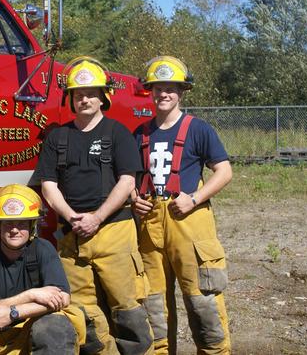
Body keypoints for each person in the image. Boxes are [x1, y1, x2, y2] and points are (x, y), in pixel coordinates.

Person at [35, 57, 153, 355]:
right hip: (73, 238)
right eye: (78, 94)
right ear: (71, 99)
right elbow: (48, 185)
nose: (84, 98)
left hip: (114, 232)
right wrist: (72, 217)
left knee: (128, 311)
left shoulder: (118, 134)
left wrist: (97, 218)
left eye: (90, 93)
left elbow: (127, 181)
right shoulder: (58, 137)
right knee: (83, 315)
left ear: (103, 97)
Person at [131, 56, 232, 354]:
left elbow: (224, 172)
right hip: (150, 228)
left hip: (190, 223)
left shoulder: (199, 129)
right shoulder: (140, 133)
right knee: (154, 308)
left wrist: (195, 198)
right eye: (158, 88)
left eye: (170, 88)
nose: (163, 94)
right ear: (150, 91)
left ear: (182, 91)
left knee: (203, 303)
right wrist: (134, 199)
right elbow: (131, 179)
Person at [0, 184, 86, 354]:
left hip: (38, 328)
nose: (14, 230)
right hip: (3, 340)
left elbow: (63, 298)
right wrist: (32, 294)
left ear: (31, 226)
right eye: (7, 223)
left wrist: (13, 312)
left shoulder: (43, 249)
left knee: (53, 327)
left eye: (22, 223)